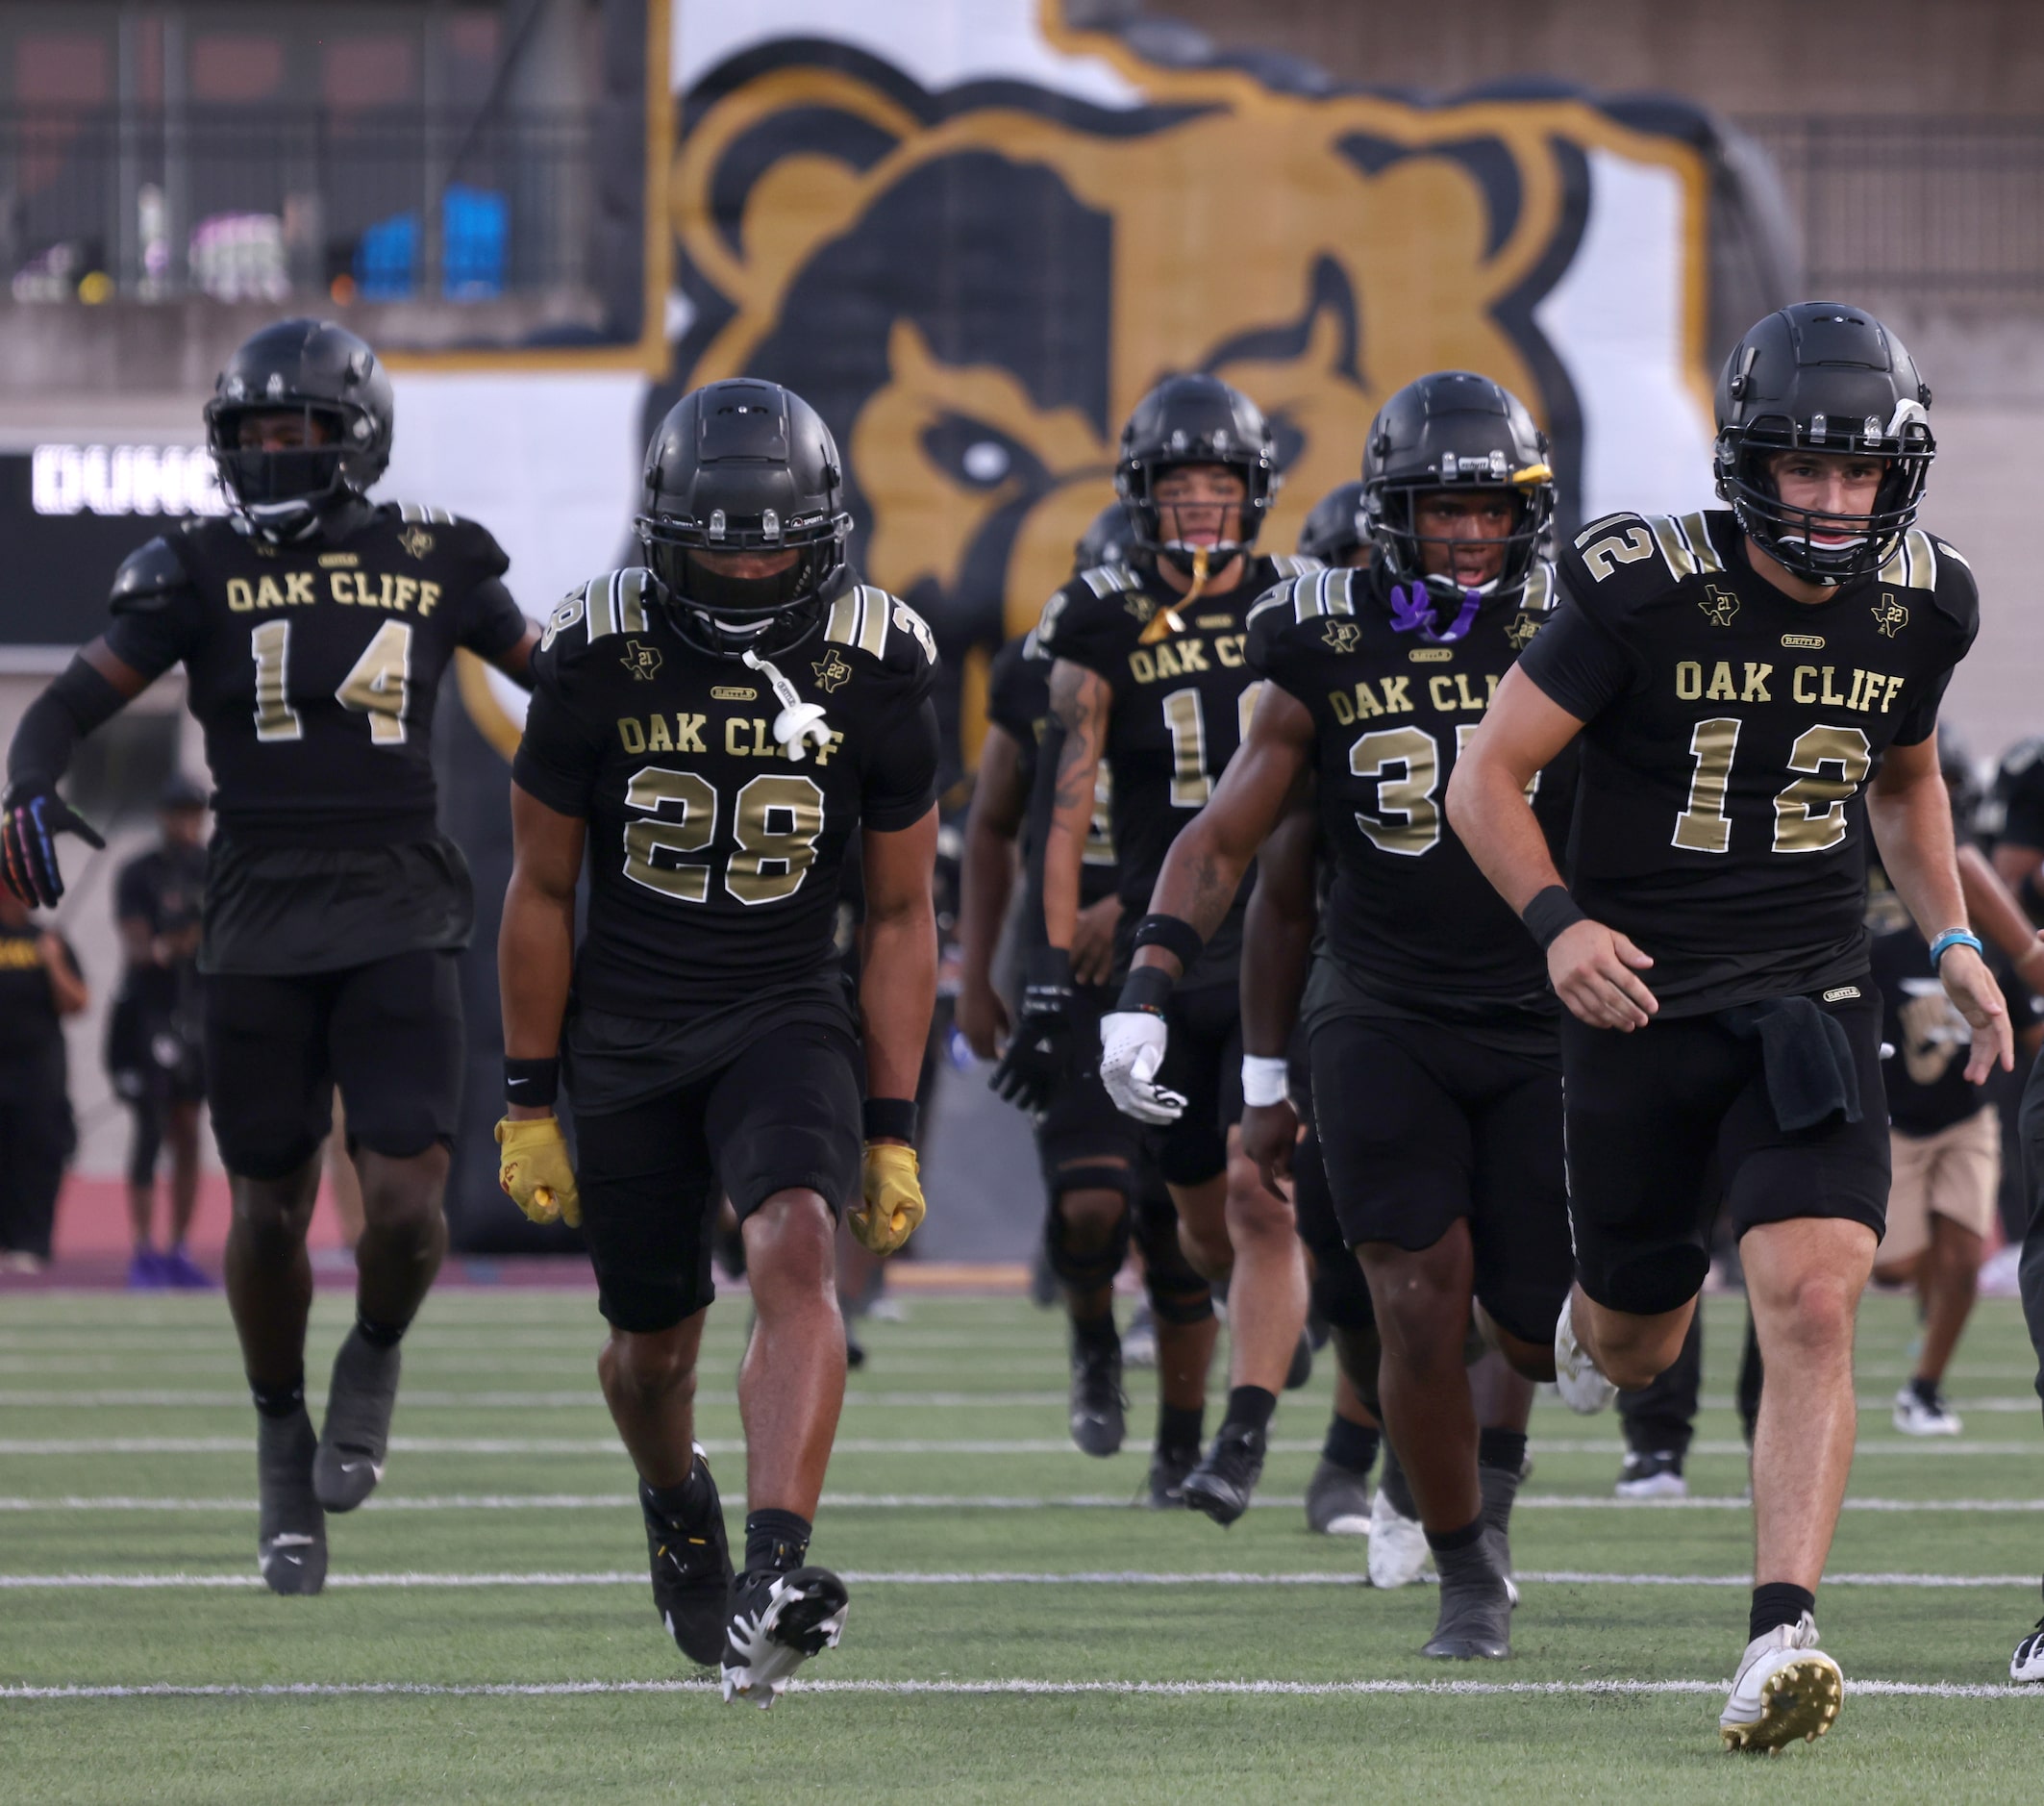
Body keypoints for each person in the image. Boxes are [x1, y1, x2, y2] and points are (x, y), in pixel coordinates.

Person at [1448, 301, 2009, 1749]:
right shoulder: (1640, 587)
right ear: (1745, 460)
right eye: (1802, 469)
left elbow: (1903, 781)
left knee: (1817, 1296)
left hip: (1805, 989)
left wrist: (1947, 934)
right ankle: (1595, 1319)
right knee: (1633, 1343)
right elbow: (1484, 780)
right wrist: (1558, 924)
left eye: (1857, 474)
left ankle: (1778, 1634)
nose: (1830, 501)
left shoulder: (1923, 601)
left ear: (1899, 474)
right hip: (1634, 991)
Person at [1, 317, 537, 1595]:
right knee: (265, 1206)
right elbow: (68, 702)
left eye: (298, 431)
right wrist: (24, 784)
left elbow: (556, 681)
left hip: (401, 899)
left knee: (406, 1206)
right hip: (255, 914)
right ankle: (280, 1434)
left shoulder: (440, 554)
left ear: (357, 439)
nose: (273, 453)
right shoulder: (191, 564)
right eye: (252, 434)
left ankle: (377, 1346)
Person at [495, 378, 939, 1708]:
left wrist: (891, 1123)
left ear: (821, 538)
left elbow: (906, 908)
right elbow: (537, 888)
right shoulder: (593, 646)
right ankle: (671, 1491)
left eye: (770, 544)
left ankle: (773, 1569)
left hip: (781, 1007)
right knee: (652, 1349)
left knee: (797, 1239)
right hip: (626, 1026)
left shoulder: (878, 658)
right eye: (719, 544)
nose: (746, 568)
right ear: (664, 538)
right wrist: (528, 1096)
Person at [1112, 372, 1571, 1657]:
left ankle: (1501, 1463)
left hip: (1549, 1009)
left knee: (1537, 1332)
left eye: (1491, 512)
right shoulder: (1325, 631)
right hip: (1383, 1007)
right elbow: (1251, 856)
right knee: (1417, 1296)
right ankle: (1463, 1564)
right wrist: (1170, 990)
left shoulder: (1579, 623)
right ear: (1390, 514)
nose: (1469, 537)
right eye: (1442, 512)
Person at [1002, 375, 1318, 1522]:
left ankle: (1241, 1435)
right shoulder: (1096, 615)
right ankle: (1253, 1340)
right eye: (1177, 487)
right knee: (1194, 1222)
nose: (1197, 507)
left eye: (1217, 486)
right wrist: (1043, 971)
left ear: (1254, 493)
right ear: (1141, 495)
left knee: (1256, 1191)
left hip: (1276, 939)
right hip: (1162, 946)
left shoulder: (1300, 601)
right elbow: (1058, 798)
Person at [961, 617, 1217, 1485]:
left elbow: (1251, 819)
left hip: (1189, 949)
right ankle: (1094, 1342)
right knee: (1091, 1203)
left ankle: (1183, 1442)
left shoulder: (1218, 661)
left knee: (1181, 1219)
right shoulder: (1033, 677)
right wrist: (979, 970)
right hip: (1067, 968)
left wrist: (1141, 904)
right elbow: (997, 824)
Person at [108, 772, 211, 1289]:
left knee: (190, 1131)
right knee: (150, 1128)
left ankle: (179, 1246)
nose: (187, 823)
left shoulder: (216, 869)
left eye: (195, 813)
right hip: (149, 1016)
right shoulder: (139, 873)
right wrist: (182, 940)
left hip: (200, 1016)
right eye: (180, 813)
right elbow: (140, 950)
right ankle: (143, 1248)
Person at [0, 887, 87, 1271]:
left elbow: (78, 1002)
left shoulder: (48, 940)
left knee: (37, 1155)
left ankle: (31, 1244)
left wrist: (53, 963)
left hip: (38, 1075)